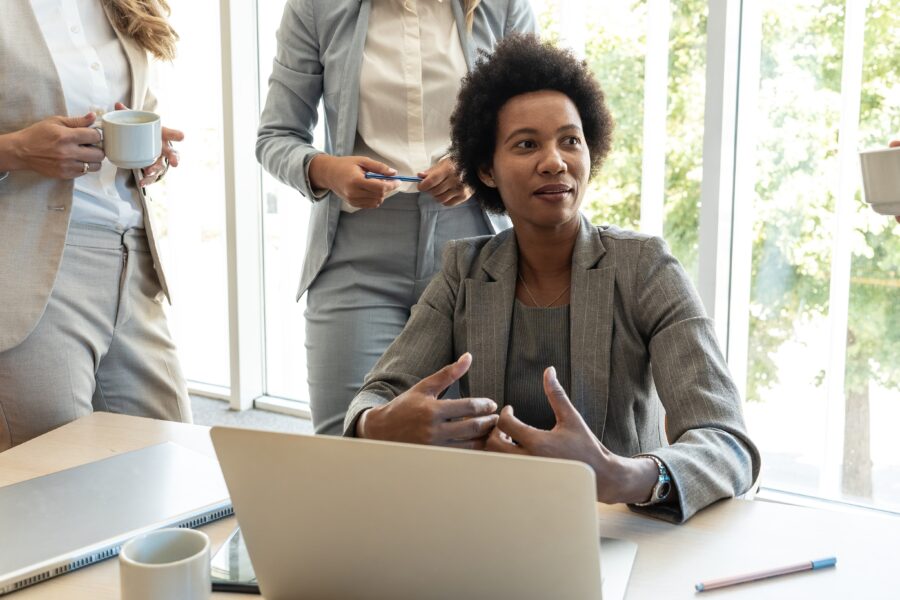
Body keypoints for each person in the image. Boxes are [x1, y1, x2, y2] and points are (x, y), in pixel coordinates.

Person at [343, 34, 761, 523]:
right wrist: (378, 426)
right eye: (526, 144)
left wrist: (620, 475)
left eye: (570, 140)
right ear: (487, 170)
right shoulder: (464, 272)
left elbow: (729, 444)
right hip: (492, 528)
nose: (555, 161)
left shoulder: (645, 267)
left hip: (620, 536)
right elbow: (374, 399)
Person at [256, 0, 536, 435]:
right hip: (356, 250)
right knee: (345, 445)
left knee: (477, 446)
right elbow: (276, 136)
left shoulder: (501, 6)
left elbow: (532, 121)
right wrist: (328, 171)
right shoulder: (316, 7)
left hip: (474, 248)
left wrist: (472, 163)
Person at [0, 0, 190, 451]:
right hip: (29, 274)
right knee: (55, 479)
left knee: (172, 460)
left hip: (132, 263)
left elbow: (136, 110)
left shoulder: (122, 5)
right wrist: (17, 150)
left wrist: (152, 157)